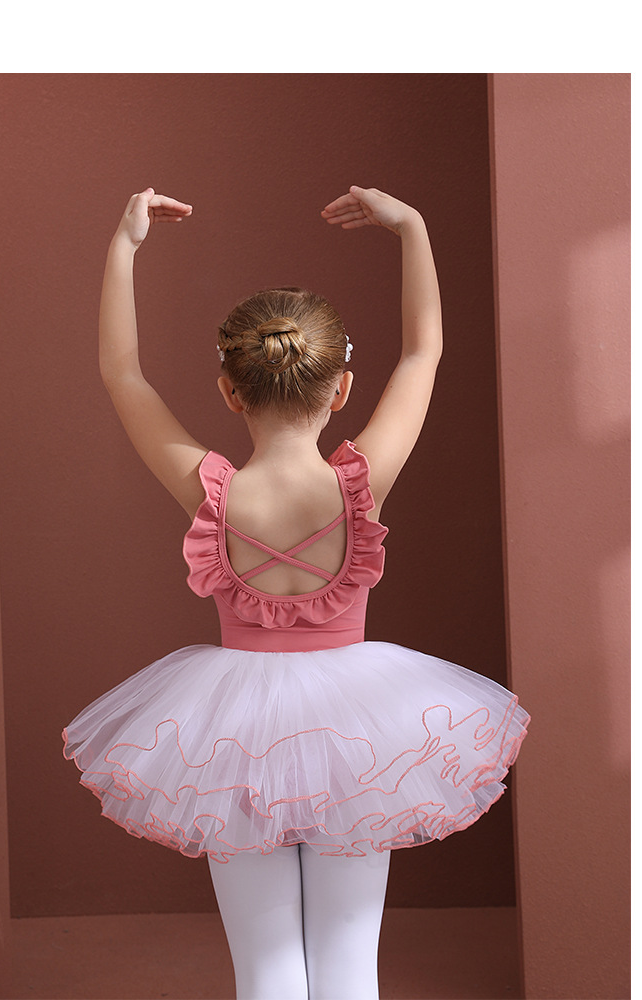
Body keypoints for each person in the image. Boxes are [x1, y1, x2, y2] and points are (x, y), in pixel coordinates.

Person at [63, 185, 529, 1000]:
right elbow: (422, 355)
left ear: (228, 390)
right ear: (340, 388)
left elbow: (121, 374)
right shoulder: (360, 485)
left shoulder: (211, 491)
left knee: (265, 966)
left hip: (231, 732)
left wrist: (124, 245)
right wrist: (413, 228)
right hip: (361, 728)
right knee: (351, 962)